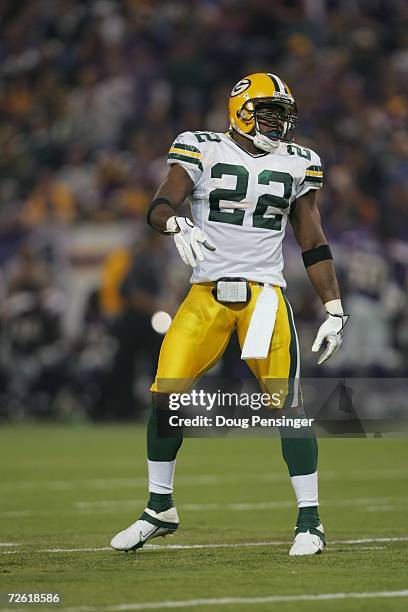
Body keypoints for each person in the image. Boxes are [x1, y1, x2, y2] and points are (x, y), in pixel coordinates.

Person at [110, 73, 348, 556]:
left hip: (263, 298)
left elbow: (312, 238)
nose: (280, 121)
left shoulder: (300, 162)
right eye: (271, 110)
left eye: (284, 112)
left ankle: (311, 521)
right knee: (165, 396)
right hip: (206, 295)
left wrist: (334, 307)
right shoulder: (200, 146)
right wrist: (175, 221)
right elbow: (160, 204)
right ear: (241, 109)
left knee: (287, 407)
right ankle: (160, 508)